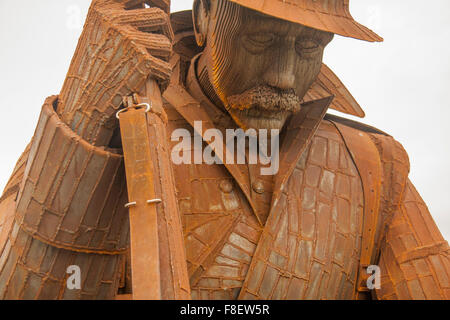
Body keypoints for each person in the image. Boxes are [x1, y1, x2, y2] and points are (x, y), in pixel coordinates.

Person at [0, 0, 448, 300]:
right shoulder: (98, 126)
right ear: (204, 15)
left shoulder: (373, 165)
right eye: (259, 40)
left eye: (309, 46)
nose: (285, 78)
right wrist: (82, 124)